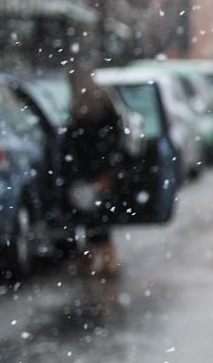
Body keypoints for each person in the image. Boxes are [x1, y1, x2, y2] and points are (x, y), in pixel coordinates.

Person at [64, 66, 128, 276]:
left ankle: (104, 257)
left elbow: (111, 138)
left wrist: (107, 170)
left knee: (97, 216)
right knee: (92, 215)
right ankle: (95, 255)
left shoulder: (97, 105)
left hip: (97, 170)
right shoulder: (94, 103)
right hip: (91, 169)